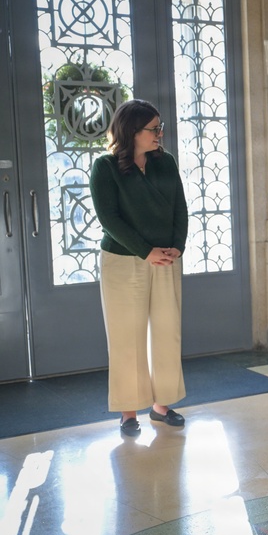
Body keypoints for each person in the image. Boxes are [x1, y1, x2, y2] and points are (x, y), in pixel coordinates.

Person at [90, 100, 189, 435]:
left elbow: (180, 208)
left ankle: (162, 406)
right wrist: (146, 252)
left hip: (167, 259)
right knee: (126, 336)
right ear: (132, 131)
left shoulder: (166, 163)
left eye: (160, 127)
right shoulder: (105, 167)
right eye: (154, 128)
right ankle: (129, 413)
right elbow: (109, 219)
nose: (160, 133)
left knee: (167, 331)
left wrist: (178, 245)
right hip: (123, 260)